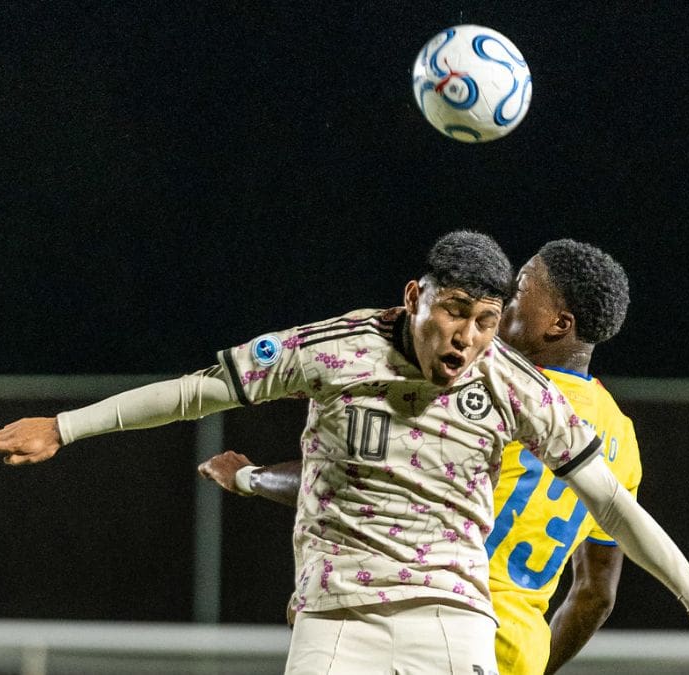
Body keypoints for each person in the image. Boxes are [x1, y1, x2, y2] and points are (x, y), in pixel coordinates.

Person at [0, 231, 689, 675]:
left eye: (489, 318)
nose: (469, 337)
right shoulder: (333, 348)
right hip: (337, 624)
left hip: (455, 624)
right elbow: (195, 392)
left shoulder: (514, 387)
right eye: (456, 312)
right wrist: (67, 425)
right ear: (414, 296)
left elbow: (611, 503)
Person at [200, 240, 641, 674]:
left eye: (521, 289)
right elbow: (596, 594)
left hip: (435, 625)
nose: (504, 300)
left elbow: (351, 481)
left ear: (558, 324)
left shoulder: (488, 396)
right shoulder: (619, 435)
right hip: (516, 649)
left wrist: (250, 477)